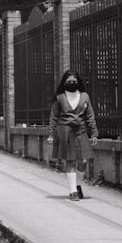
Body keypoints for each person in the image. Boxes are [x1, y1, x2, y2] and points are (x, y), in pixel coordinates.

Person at [47, 70, 99, 201]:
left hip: (81, 130)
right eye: (69, 81)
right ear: (64, 83)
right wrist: (51, 134)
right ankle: (72, 191)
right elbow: (53, 117)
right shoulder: (59, 97)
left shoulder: (84, 96)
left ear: (78, 82)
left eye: (74, 81)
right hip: (65, 130)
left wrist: (94, 133)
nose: (72, 83)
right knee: (70, 161)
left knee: (83, 160)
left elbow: (90, 116)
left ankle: (77, 184)